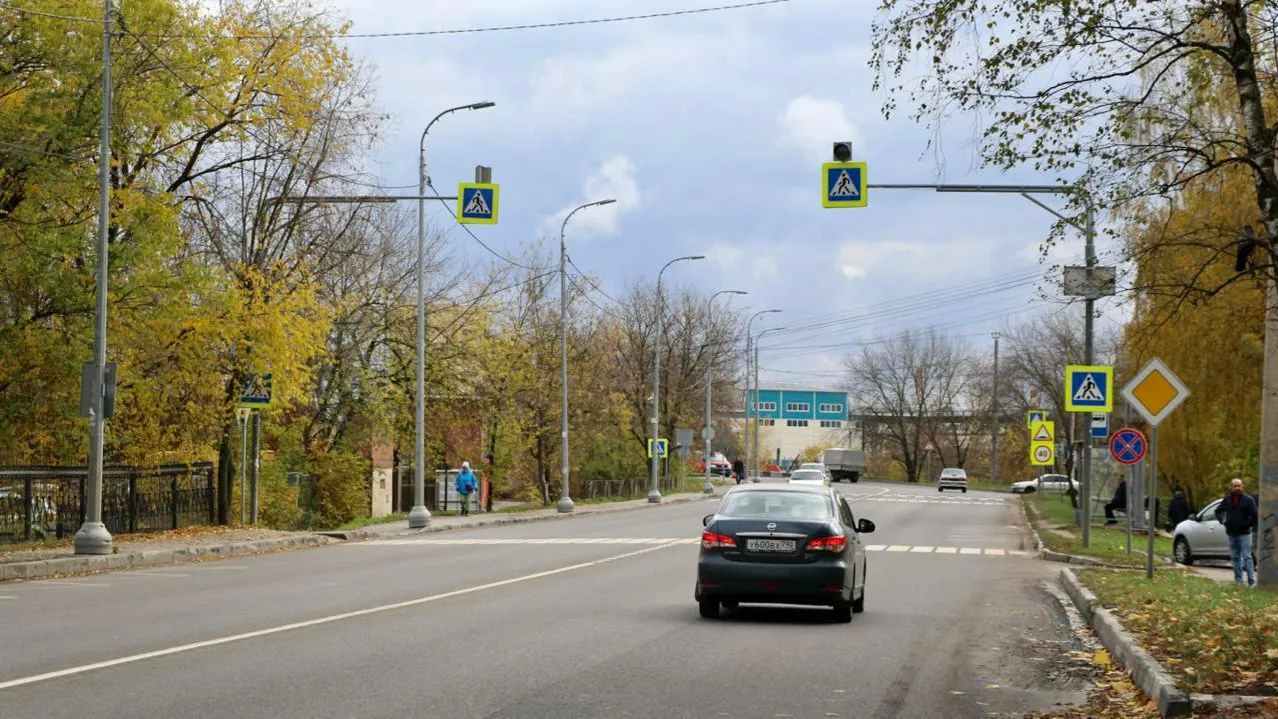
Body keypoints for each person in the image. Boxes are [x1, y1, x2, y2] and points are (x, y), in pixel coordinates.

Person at [1215, 478, 1258, 586]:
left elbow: (1255, 516)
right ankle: (1238, 581)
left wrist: (1246, 524)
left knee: (1247, 557)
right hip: (1231, 533)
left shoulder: (1248, 500)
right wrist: (1223, 520)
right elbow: (1218, 511)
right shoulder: (1227, 500)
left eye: (1239, 486)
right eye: (1235, 486)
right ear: (1231, 487)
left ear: (1242, 487)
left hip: (1244, 534)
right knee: (1235, 557)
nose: (1237, 488)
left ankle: (1251, 580)